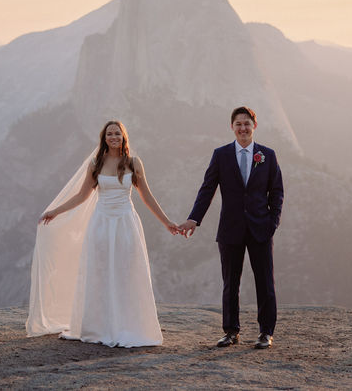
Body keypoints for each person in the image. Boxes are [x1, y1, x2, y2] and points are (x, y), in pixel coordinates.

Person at [26, 120, 178, 347]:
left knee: (126, 271)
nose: (113, 136)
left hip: (126, 223)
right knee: (99, 271)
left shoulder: (134, 163)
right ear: (104, 138)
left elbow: (147, 196)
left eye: (117, 133)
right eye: (109, 134)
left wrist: (167, 222)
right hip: (101, 223)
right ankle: (100, 325)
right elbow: (82, 196)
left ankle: (127, 325)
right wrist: (55, 211)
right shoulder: (95, 163)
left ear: (123, 136)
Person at [178, 106, 283, 349]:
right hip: (230, 229)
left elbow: (276, 191)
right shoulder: (221, 155)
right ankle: (231, 331)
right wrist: (194, 218)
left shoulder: (268, 155)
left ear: (254, 126)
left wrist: (272, 222)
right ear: (232, 127)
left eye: (247, 123)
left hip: (261, 229)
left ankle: (266, 332)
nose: (243, 128)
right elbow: (207, 189)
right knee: (230, 283)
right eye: (238, 124)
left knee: (265, 282)